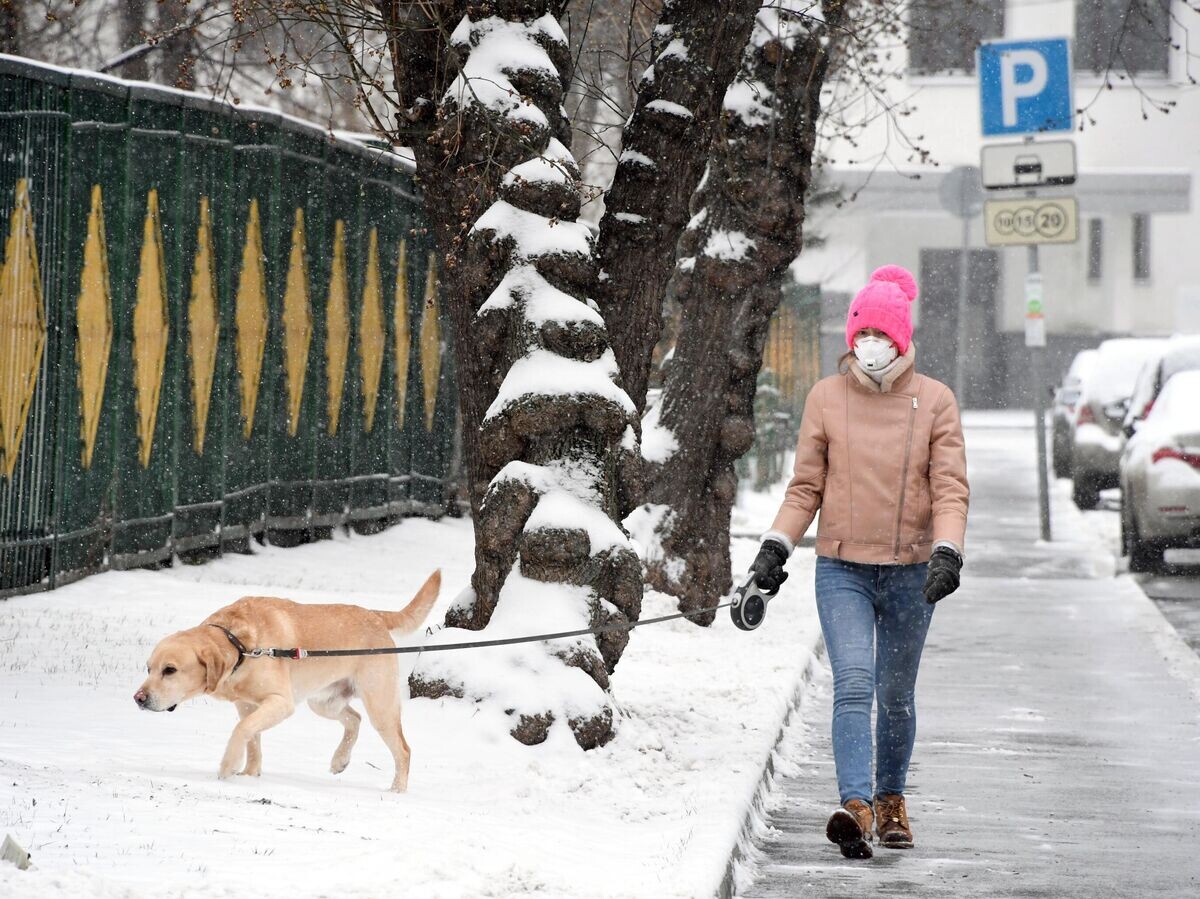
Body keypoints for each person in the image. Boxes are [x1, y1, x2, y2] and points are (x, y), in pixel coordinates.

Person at [750, 264, 969, 860]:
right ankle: (856, 805)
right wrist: (775, 547)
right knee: (853, 682)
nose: (870, 345)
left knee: (896, 694)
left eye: (882, 335)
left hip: (910, 573)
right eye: (861, 334)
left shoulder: (935, 402)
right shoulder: (826, 397)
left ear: (901, 339)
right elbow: (805, 489)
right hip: (842, 569)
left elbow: (950, 488)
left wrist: (947, 551)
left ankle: (891, 800)